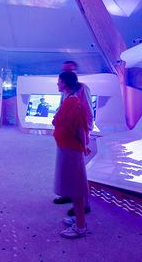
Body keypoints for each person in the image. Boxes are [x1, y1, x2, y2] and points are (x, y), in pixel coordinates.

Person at [52, 70, 91, 239]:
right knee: (73, 184)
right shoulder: (69, 100)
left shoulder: (74, 104)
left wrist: (83, 146)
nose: (57, 83)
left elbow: (80, 128)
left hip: (71, 150)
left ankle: (80, 227)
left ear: (64, 83)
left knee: (76, 187)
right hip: (67, 147)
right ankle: (79, 218)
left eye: (59, 81)